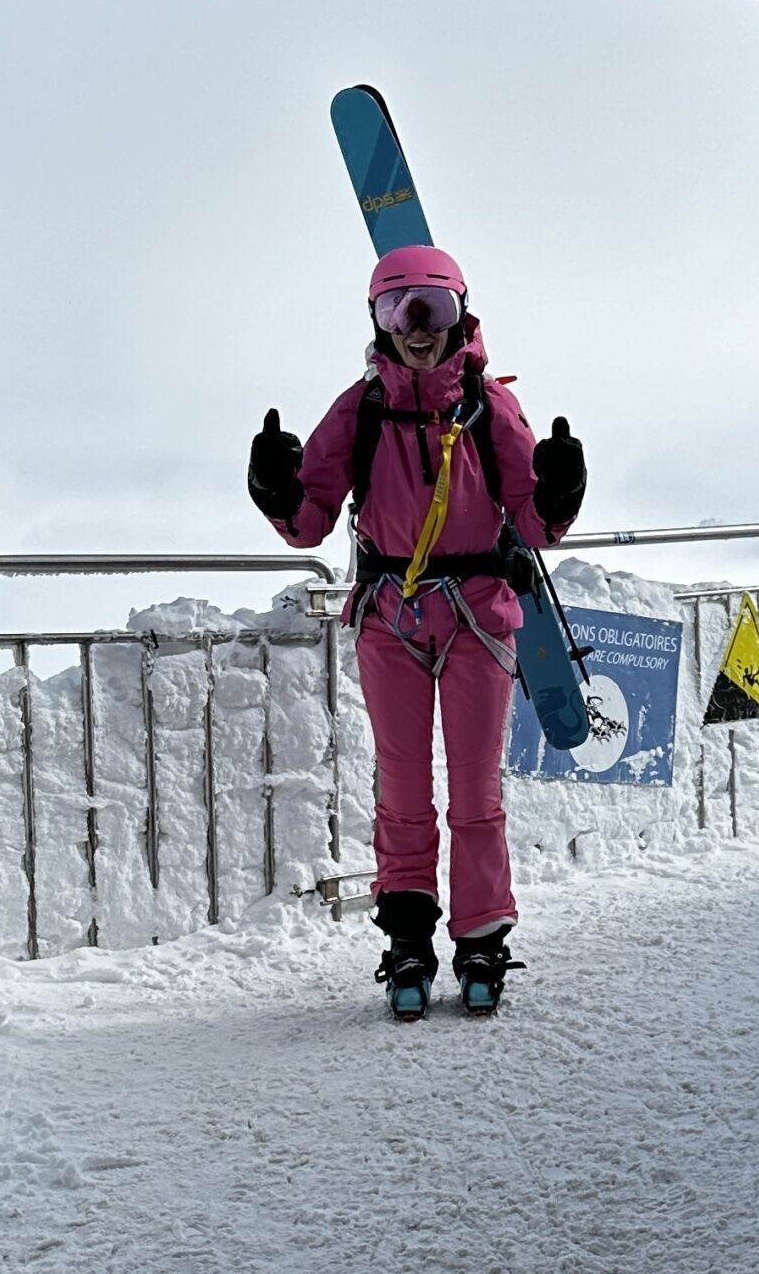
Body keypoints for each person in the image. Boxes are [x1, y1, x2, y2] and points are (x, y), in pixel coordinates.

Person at [247, 245, 585, 1018]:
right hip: (392, 619)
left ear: (459, 311)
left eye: (430, 309)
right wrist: (273, 484)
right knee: (401, 789)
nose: (417, 329)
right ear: (376, 318)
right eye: (399, 311)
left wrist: (562, 486)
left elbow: (533, 519)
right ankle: (407, 938)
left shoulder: (488, 406)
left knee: (474, 790)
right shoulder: (361, 408)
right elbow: (308, 520)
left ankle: (481, 941)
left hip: (476, 614)